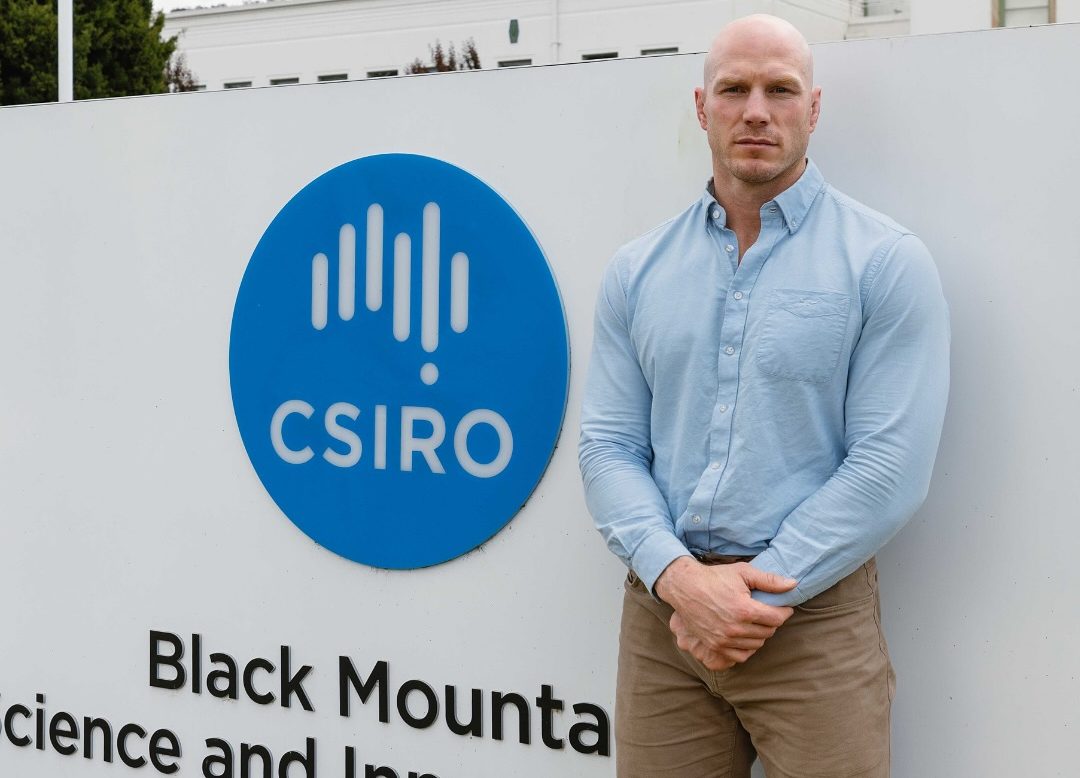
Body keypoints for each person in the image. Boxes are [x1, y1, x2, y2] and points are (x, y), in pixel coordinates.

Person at [578, 13, 950, 778]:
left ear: (812, 109)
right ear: (701, 106)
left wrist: (749, 600)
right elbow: (608, 446)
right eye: (734, 89)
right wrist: (682, 583)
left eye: (780, 90)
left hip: (812, 620)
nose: (756, 110)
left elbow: (889, 466)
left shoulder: (884, 263)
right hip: (664, 623)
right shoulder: (637, 270)